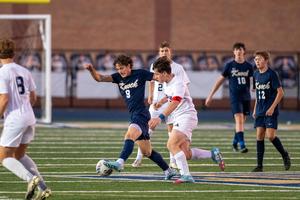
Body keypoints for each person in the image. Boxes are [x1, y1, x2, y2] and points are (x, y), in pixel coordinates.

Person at [84, 54, 177, 180]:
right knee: (147, 152)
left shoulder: (140, 73)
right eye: (118, 69)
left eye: (122, 68)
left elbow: (158, 77)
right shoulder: (117, 77)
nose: (120, 71)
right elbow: (100, 78)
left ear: (129, 66)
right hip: (135, 114)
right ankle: (168, 170)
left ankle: (120, 162)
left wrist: (171, 78)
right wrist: (91, 70)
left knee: (129, 135)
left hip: (141, 114)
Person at [149, 56, 225, 184]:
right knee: (185, 153)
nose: (155, 77)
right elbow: (169, 97)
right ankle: (212, 154)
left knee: (171, 145)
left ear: (164, 73)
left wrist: (160, 117)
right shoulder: (167, 83)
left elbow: (175, 102)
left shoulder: (178, 82)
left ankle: (186, 175)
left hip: (186, 116)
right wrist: (160, 102)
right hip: (181, 116)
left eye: (157, 74)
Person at [0, 39, 51, 199]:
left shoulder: (2, 73)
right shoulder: (24, 70)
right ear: (13, 54)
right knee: (19, 155)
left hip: (15, 119)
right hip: (30, 117)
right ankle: (44, 188)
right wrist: (25, 110)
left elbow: (5, 98)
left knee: (4, 156)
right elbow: (34, 97)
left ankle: (31, 179)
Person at [132, 41, 190, 169]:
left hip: (170, 103)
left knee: (171, 132)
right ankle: (139, 157)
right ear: (159, 52)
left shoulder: (178, 68)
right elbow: (152, 81)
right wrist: (151, 95)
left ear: (171, 52)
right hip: (157, 103)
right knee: (148, 130)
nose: (164, 53)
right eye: (162, 51)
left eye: (166, 51)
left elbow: (183, 85)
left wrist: (166, 100)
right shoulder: (155, 65)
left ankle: (173, 160)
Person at [205, 42, 253, 153]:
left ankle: (235, 143)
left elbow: (253, 81)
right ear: (234, 52)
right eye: (237, 49)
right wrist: (210, 95)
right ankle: (242, 145)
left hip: (246, 97)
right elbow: (219, 81)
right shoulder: (230, 66)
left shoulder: (249, 66)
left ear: (244, 51)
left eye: (241, 49)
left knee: (242, 122)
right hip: (235, 97)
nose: (239, 51)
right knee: (239, 120)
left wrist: (255, 87)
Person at [252, 51, 291, 172]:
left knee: (270, 136)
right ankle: (259, 166)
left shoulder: (272, 74)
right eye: (255, 59)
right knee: (259, 136)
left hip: (270, 111)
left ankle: (285, 154)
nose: (257, 61)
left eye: (259, 59)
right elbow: (258, 95)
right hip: (260, 110)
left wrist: (272, 107)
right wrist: (254, 109)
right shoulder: (255, 74)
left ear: (266, 60)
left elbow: (281, 93)